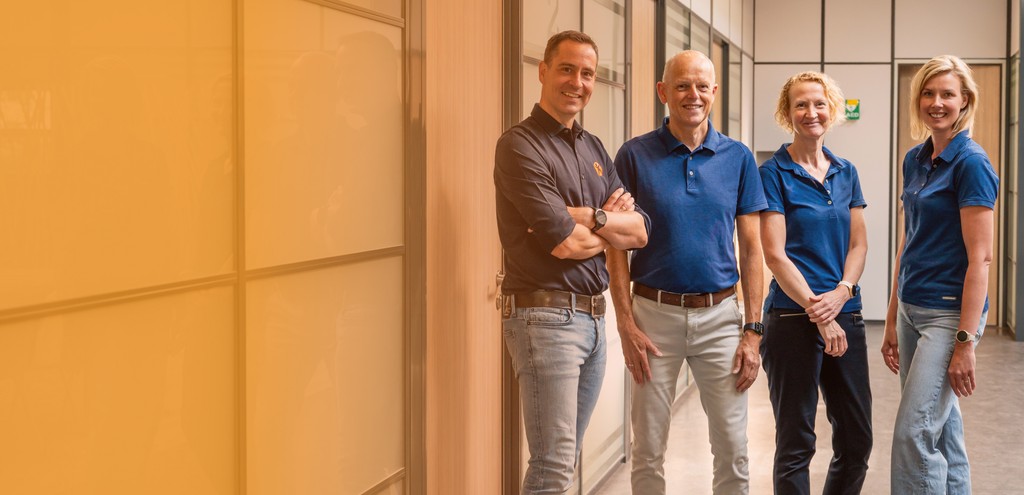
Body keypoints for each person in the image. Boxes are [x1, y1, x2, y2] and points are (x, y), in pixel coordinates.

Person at [494, 30, 650, 495]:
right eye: (566, 69)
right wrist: (607, 228)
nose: (576, 82)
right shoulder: (519, 145)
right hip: (544, 318)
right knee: (552, 466)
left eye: (587, 74)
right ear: (542, 72)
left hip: (592, 318)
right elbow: (563, 244)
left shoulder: (594, 148)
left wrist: (589, 217)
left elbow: (639, 231)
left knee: (564, 459)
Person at [607, 50, 766, 495]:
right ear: (663, 92)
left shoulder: (738, 158)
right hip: (652, 318)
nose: (691, 95)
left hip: (720, 319)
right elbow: (615, 247)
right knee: (648, 449)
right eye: (681, 85)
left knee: (733, 449)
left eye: (701, 86)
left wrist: (752, 331)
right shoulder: (634, 156)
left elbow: (752, 250)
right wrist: (624, 322)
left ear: (714, 93)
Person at [880, 55, 998, 494]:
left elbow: (980, 260)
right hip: (912, 309)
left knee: (914, 432)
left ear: (965, 100)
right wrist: (892, 317)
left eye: (947, 94)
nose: (937, 102)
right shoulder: (916, 158)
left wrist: (966, 342)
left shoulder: (972, 164)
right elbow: (908, 242)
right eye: (928, 93)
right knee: (942, 428)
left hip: (948, 316)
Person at [759, 71, 872, 494]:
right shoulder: (773, 172)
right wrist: (818, 311)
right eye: (801, 105)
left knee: (857, 439)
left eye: (819, 103)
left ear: (832, 110)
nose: (812, 112)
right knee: (796, 443)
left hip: (847, 313)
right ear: (787, 114)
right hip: (791, 318)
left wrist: (842, 293)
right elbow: (775, 253)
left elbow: (858, 245)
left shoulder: (846, 172)